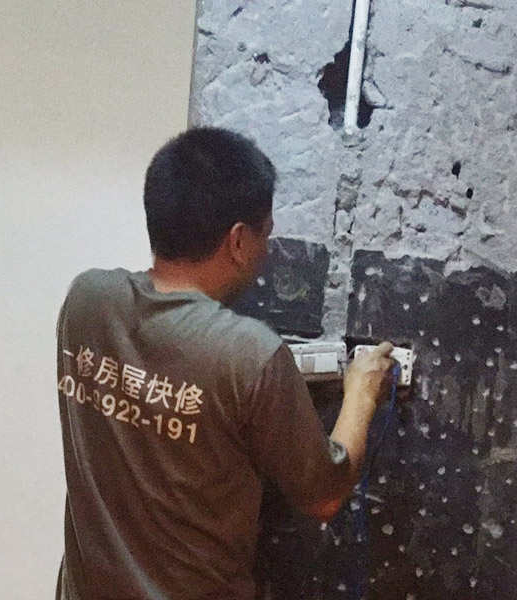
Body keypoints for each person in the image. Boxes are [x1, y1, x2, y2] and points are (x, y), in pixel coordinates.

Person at [55, 127, 395, 599]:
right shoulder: (250, 354)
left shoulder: (87, 301)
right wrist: (362, 392)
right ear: (237, 241)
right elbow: (324, 495)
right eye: (265, 235)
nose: (266, 251)